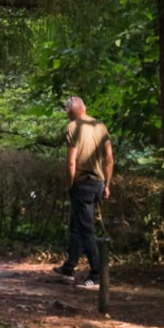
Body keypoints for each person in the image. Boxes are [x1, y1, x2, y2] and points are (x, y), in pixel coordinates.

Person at [50, 95, 114, 292]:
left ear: (69, 111)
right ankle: (69, 267)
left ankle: (96, 274)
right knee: (76, 225)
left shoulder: (73, 127)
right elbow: (109, 159)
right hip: (98, 182)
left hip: (82, 184)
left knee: (86, 230)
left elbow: (71, 162)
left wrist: (69, 184)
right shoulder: (100, 126)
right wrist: (107, 184)